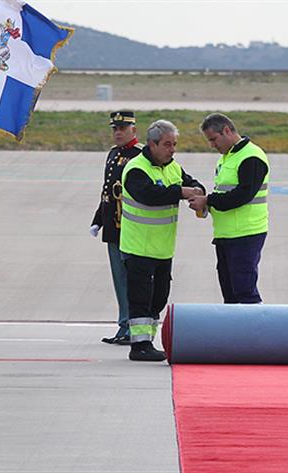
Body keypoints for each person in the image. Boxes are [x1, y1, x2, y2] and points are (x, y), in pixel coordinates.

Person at [119, 120, 205, 362]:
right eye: (167, 144)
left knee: (159, 296)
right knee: (140, 298)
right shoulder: (136, 169)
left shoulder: (173, 167)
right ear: (152, 144)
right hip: (139, 247)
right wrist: (181, 192)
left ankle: (149, 340)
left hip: (163, 248)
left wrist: (196, 189)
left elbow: (191, 182)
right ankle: (139, 345)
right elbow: (149, 196)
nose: (172, 149)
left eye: (174, 144)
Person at [188, 113, 269, 304]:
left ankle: (254, 332)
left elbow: (243, 195)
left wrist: (208, 200)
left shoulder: (251, 157)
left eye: (214, 139)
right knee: (230, 293)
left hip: (245, 234)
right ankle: (236, 333)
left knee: (245, 291)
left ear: (226, 131)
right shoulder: (226, 158)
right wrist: (206, 203)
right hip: (226, 235)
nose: (212, 145)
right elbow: (224, 193)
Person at [90, 111, 142, 345]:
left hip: (131, 227)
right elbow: (108, 192)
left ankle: (133, 326)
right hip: (113, 227)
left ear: (133, 130)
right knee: (119, 280)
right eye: (115, 129)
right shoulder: (113, 154)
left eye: (122, 128)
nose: (118, 133)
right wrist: (98, 219)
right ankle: (124, 326)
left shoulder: (140, 156)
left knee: (132, 279)